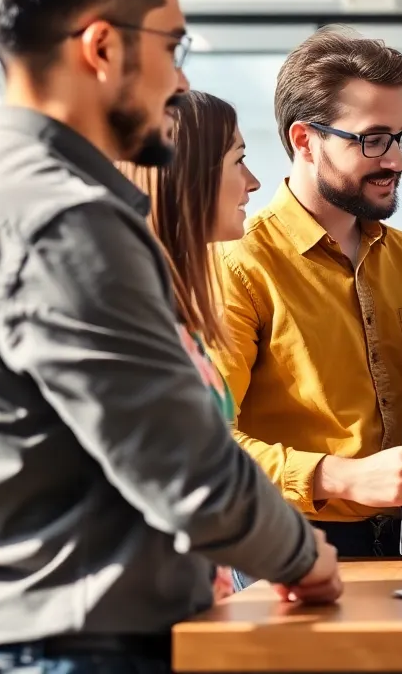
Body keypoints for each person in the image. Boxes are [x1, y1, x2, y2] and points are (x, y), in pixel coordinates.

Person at [0, 0, 339, 671]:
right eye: (171, 46)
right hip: (71, 648)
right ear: (103, 47)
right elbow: (186, 467)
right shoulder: (65, 220)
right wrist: (304, 556)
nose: (178, 78)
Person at [206, 27, 402, 581]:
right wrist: (343, 477)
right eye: (373, 140)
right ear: (305, 140)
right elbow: (205, 445)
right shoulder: (239, 264)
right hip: (297, 549)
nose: (395, 161)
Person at [119, 90, 263, 601]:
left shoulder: (176, 309)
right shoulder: (134, 314)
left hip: (198, 600)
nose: (253, 182)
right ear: (190, 175)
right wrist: (296, 554)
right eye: (238, 161)